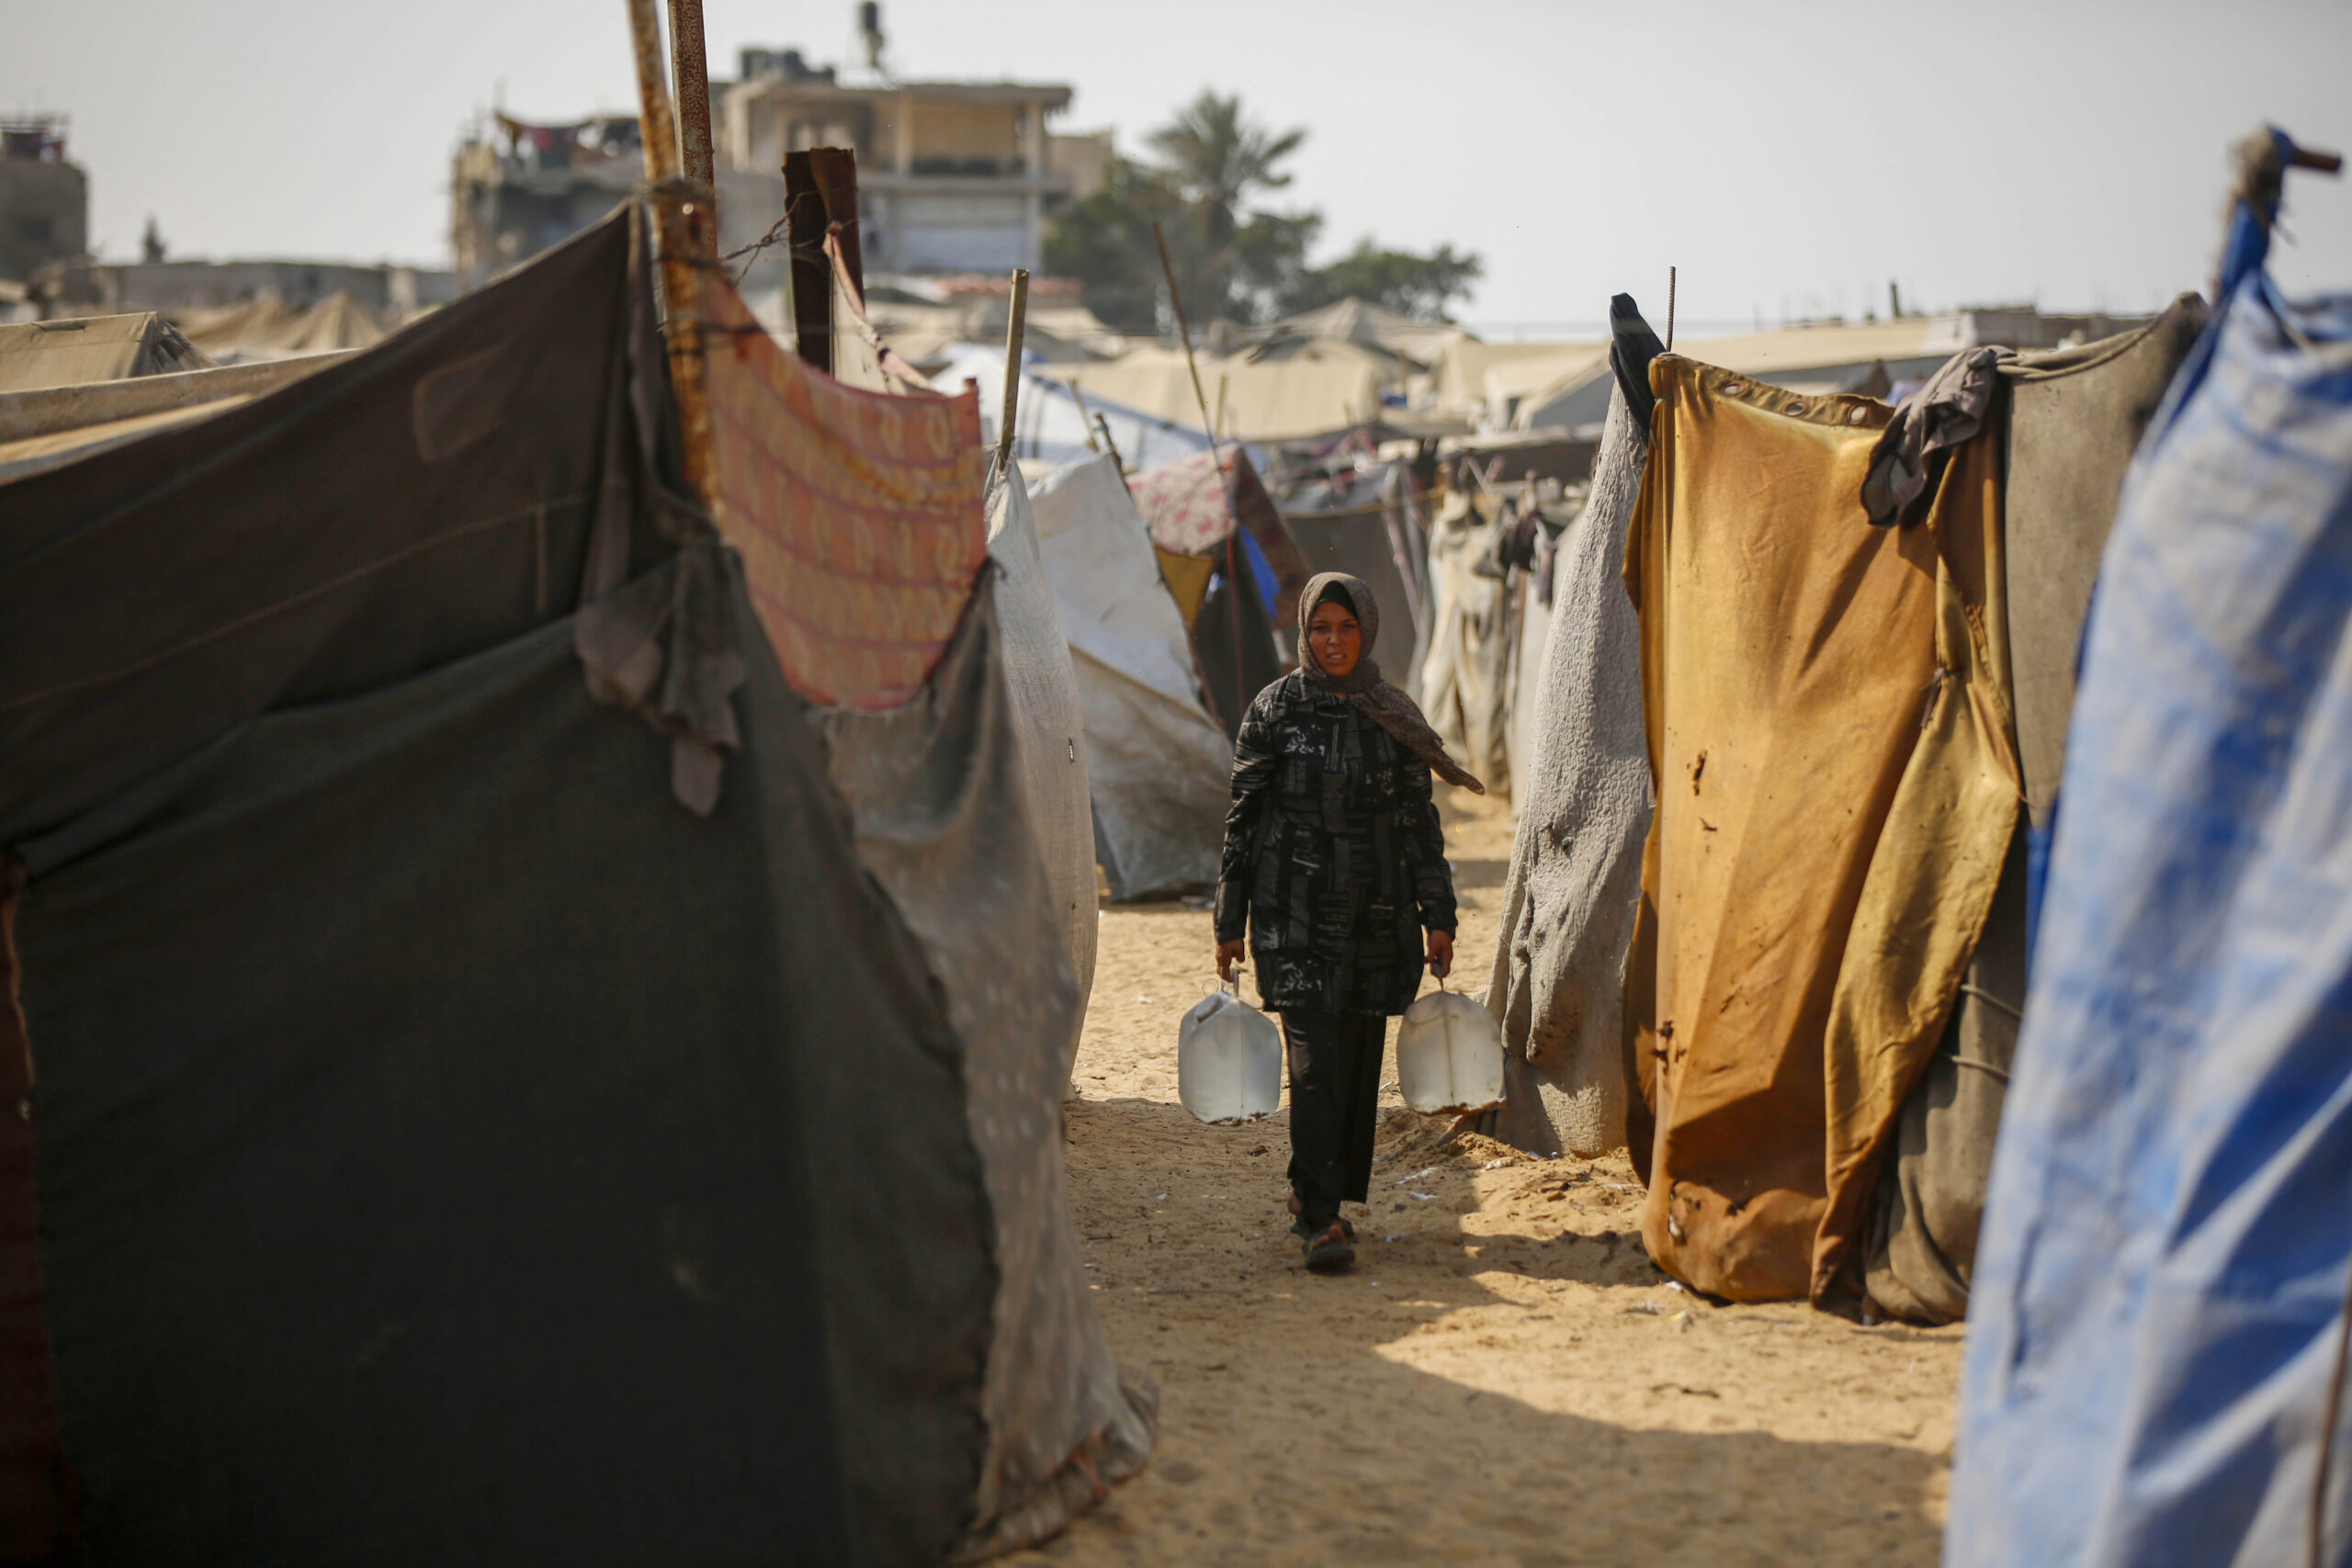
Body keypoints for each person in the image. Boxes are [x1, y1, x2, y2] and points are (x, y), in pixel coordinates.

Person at [1213, 571, 1484, 1273]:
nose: (1333, 642)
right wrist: (1228, 918)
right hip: (1291, 916)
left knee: (1358, 1061)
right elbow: (1242, 822)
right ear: (1304, 633)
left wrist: (1438, 914)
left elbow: (1418, 824)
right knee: (1315, 1062)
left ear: (1366, 630)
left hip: (1375, 917)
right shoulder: (1273, 711)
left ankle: (1321, 1199)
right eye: (1321, 628)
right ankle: (1321, 1214)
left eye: (1346, 628)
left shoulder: (1390, 714)